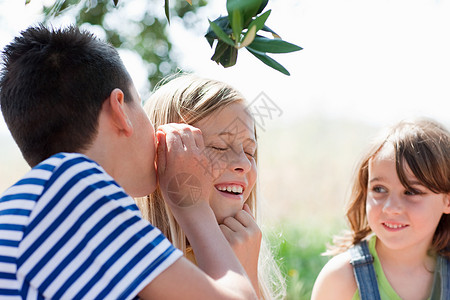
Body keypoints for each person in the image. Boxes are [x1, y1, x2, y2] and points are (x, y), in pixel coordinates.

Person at [0, 25, 257, 299]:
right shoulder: (77, 190)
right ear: (120, 108)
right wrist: (192, 205)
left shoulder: (38, 201)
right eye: (141, 106)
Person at [134, 74, 286, 300]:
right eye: (219, 147)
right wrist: (237, 273)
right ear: (163, 155)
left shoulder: (245, 249)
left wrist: (248, 275)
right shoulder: (147, 270)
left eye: (249, 152)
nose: (243, 163)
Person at [311, 119, 450, 300]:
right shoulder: (340, 280)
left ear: (447, 200)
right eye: (379, 189)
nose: (391, 208)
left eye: (411, 191)